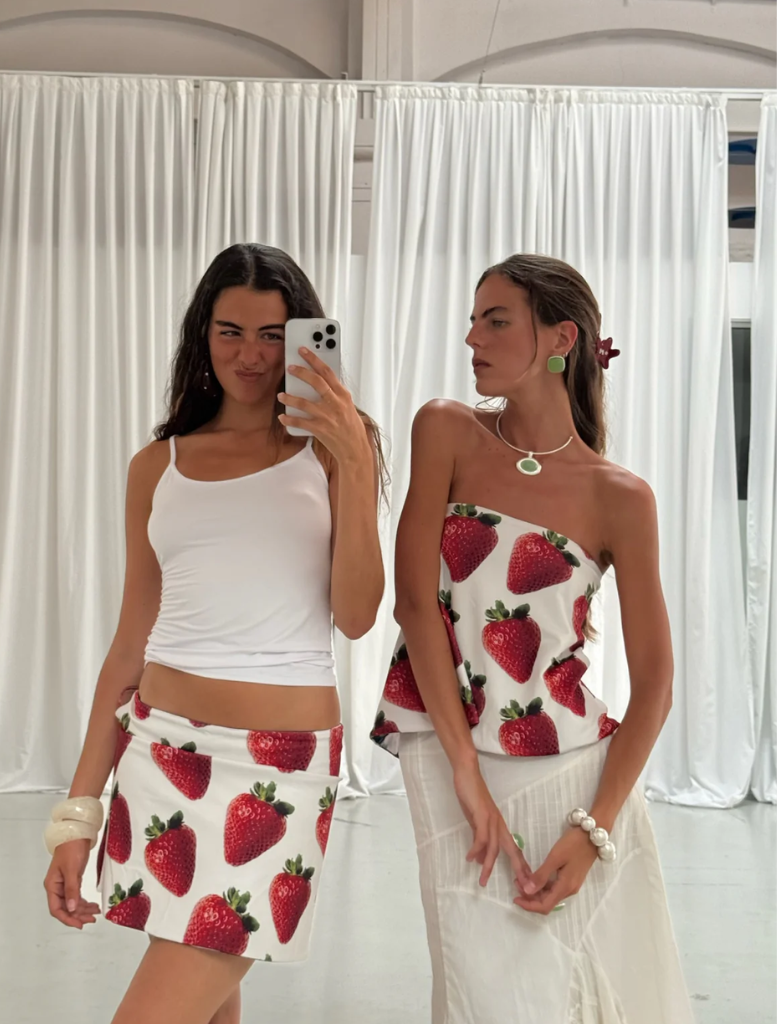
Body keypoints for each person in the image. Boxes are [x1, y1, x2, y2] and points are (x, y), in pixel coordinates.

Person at [43, 243, 385, 1024]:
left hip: (281, 770)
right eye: (231, 331)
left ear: (301, 341)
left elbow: (359, 614)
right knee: (207, 1008)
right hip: (159, 757)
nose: (251, 355)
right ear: (203, 334)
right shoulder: (155, 466)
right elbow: (129, 646)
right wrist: (76, 815)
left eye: (274, 335)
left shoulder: (329, 457)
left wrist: (355, 458)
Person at [371, 254, 694, 1023]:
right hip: (444, 744)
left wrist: (595, 830)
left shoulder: (620, 497)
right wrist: (465, 774)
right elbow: (415, 603)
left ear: (560, 338)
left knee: (589, 994)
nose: (470, 336)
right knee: (477, 982)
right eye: (473, 318)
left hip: (569, 768)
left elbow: (653, 682)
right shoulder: (444, 428)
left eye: (495, 319)